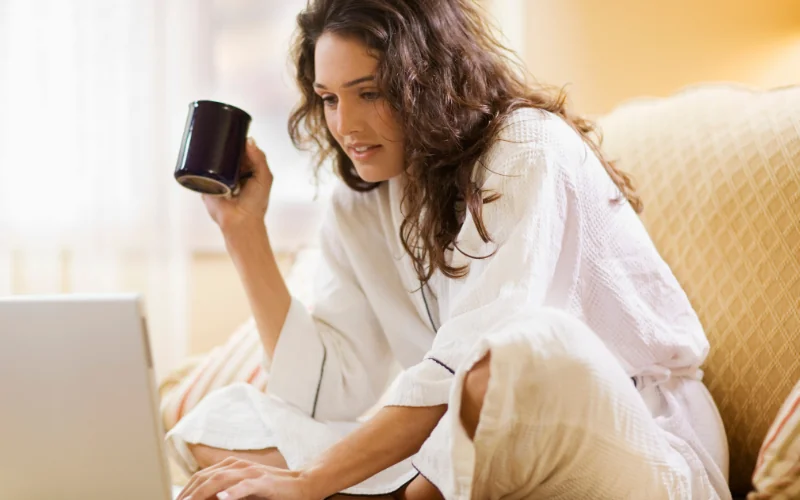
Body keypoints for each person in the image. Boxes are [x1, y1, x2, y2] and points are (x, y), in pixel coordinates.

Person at [170, 0, 732, 499]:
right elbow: (325, 393)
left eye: (370, 93)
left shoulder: (527, 145)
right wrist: (243, 234)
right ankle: (415, 484)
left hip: (629, 433)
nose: (346, 125)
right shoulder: (362, 200)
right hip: (461, 434)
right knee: (218, 424)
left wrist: (311, 480)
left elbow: (473, 361)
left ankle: (411, 485)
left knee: (512, 355)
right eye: (329, 99)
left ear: (429, 79)